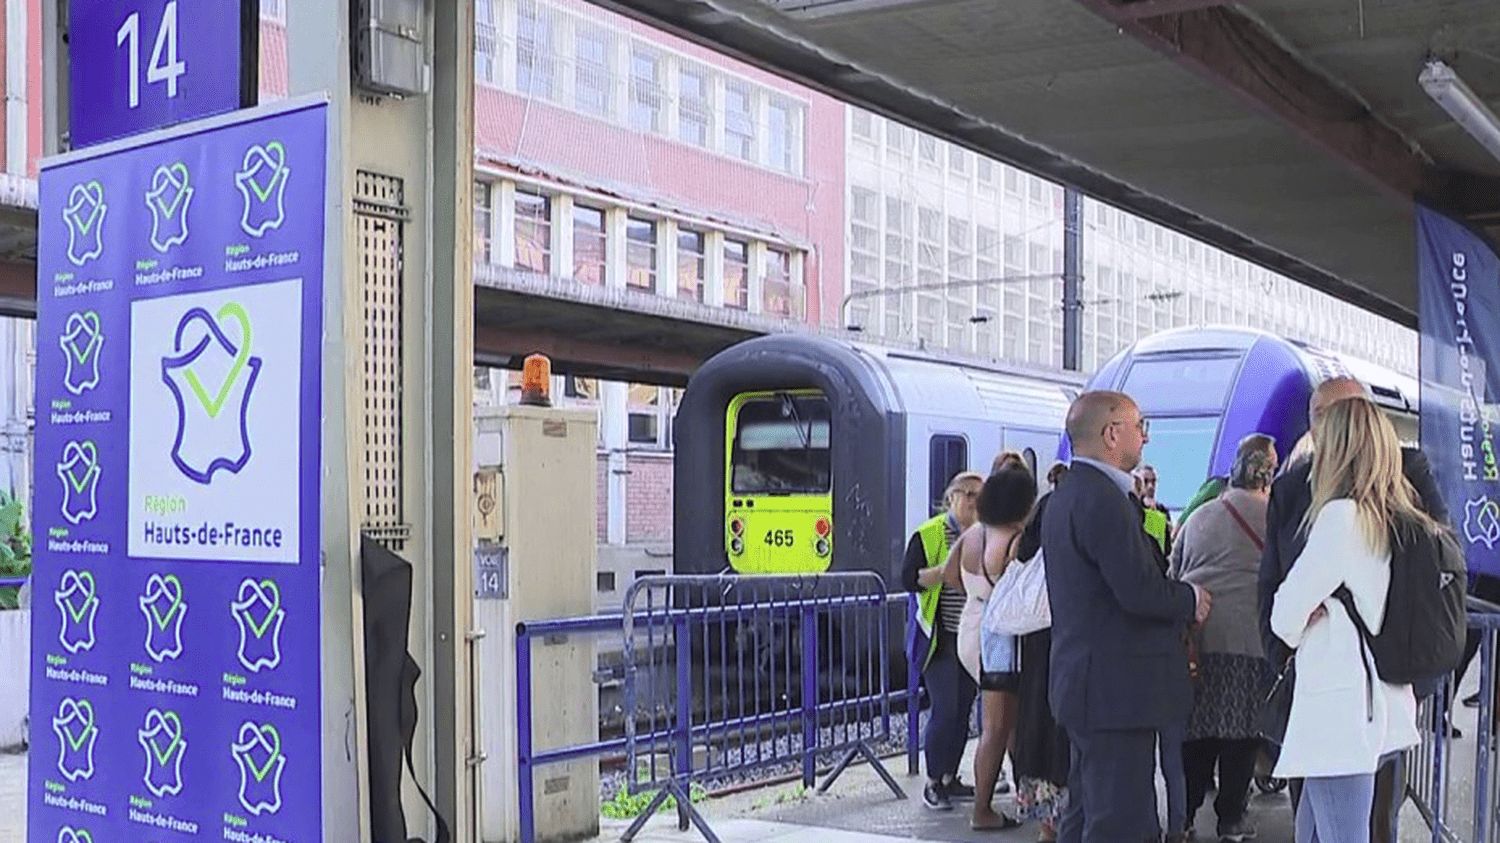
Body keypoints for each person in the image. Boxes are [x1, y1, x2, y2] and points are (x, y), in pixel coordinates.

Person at [1258, 377, 1447, 843]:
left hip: (1339, 710)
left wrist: (1302, 613)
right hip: (1377, 703)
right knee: (1315, 830)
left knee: (1340, 833)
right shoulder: (1396, 511)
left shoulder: (1340, 518)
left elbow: (1284, 615)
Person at [1042, 391, 1211, 843]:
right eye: (1140, 426)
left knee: (1083, 813)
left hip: (1087, 686)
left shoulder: (1066, 495)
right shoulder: (1103, 500)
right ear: (1112, 433)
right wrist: (1189, 598)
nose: (1145, 437)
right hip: (1115, 694)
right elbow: (1138, 591)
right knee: (1121, 823)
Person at [1170, 434, 1278, 842]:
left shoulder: (1201, 516)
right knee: (1243, 734)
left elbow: (1174, 574)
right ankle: (1231, 818)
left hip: (1199, 641)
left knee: (1195, 736)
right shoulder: (1275, 518)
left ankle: (1182, 817)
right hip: (1252, 641)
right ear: (1269, 472)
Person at [949, 466, 1037, 831]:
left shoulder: (971, 536)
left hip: (974, 628)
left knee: (1001, 725)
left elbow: (950, 575)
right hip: (1005, 640)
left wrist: (979, 596)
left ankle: (1019, 796)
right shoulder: (1017, 541)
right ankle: (986, 809)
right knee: (1001, 727)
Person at [902, 470, 986, 811]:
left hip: (974, 636)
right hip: (940, 638)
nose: (972, 501)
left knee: (964, 709)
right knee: (945, 709)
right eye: (966, 494)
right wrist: (944, 571)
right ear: (950, 497)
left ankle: (951, 777)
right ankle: (934, 781)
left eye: (978, 495)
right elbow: (909, 578)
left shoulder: (984, 534)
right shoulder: (930, 533)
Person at [1013, 465, 1072, 843]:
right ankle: (1067, 815)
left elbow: (1023, 556)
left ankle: (1046, 822)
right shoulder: (1085, 505)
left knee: (1036, 717)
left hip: (1037, 634)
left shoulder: (1043, 510)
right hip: (1069, 629)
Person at [1135, 464, 1174, 557]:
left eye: (1153, 482)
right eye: (1146, 481)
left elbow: (1167, 545)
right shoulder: (1133, 508)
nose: (1150, 486)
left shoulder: (1162, 510)